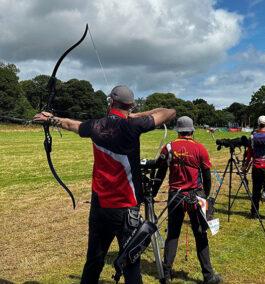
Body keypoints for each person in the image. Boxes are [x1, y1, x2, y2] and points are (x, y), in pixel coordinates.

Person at [33, 85, 176, 284]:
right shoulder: (134, 125)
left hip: (100, 207)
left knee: (94, 261)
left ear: (110, 102)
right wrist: (134, 114)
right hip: (126, 208)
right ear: (130, 105)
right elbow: (169, 112)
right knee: (131, 263)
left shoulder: (95, 126)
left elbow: (69, 124)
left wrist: (50, 119)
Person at [152, 116, 222, 284]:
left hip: (175, 196)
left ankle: (166, 274)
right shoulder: (200, 148)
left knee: (173, 234)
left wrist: (153, 192)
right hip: (195, 196)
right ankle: (208, 276)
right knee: (200, 234)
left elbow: (160, 173)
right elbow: (206, 176)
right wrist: (205, 195)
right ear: (192, 131)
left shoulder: (168, 147)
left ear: (178, 130)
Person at [243, 115, 265, 221]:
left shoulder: (253, 137)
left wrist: (245, 165)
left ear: (258, 123)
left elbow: (249, 153)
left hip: (256, 167)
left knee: (256, 190)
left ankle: (254, 213)